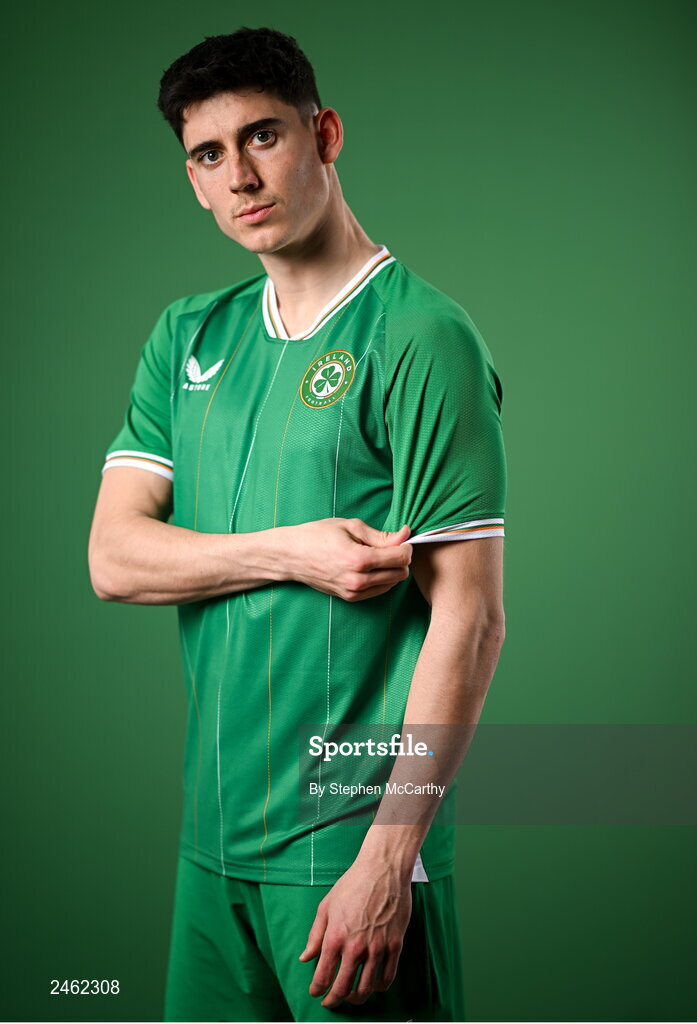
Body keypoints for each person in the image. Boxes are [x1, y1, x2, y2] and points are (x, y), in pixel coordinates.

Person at [88, 25, 506, 1023]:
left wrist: (386, 862)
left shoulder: (421, 337)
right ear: (191, 179)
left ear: (325, 134)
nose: (238, 174)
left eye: (263, 136)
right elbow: (113, 559)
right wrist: (292, 551)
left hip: (344, 851)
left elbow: (471, 621)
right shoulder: (190, 333)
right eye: (207, 154)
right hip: (210, 851)